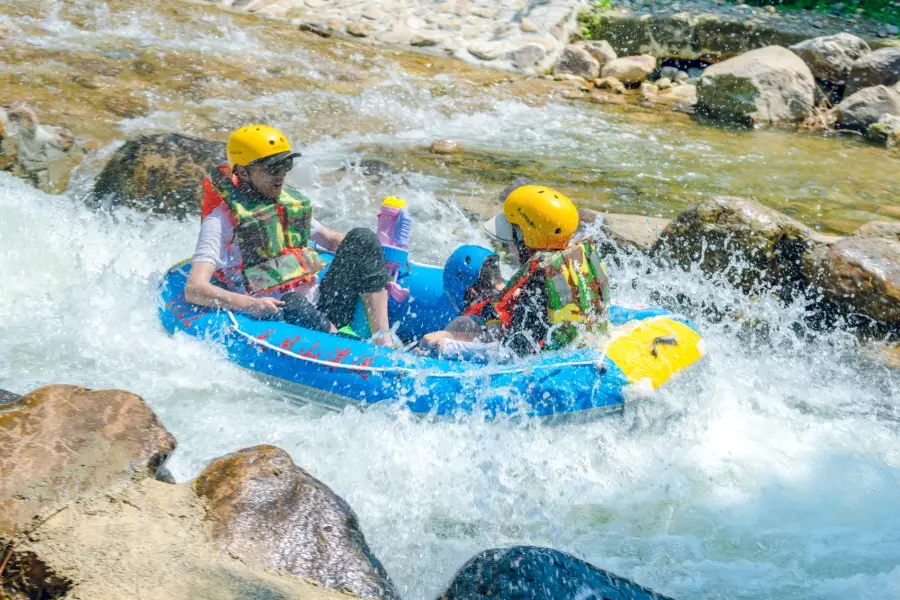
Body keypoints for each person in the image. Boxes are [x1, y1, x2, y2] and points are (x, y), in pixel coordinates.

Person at [185, 124, 397, 346]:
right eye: (271, 168)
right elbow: (194, 289)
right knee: (293, 302)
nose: (281, 175)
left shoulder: (285, 205)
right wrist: (250, 304)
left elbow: (331, 239)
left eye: (286, 164)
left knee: (362, 237)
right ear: (242, 172)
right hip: (283, 318)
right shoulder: (219, 222)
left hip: (324, 304)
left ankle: (383, 339)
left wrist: (376, 256)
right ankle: (347, 344)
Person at [421, 184, 610, 358]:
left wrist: (448, 343)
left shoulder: (538, 285)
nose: (508, 247)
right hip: (587, 344)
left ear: (527, 238)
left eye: (511, 240)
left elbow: (514, 351)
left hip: (556, 363)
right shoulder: (570, 262)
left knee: (439, 340)